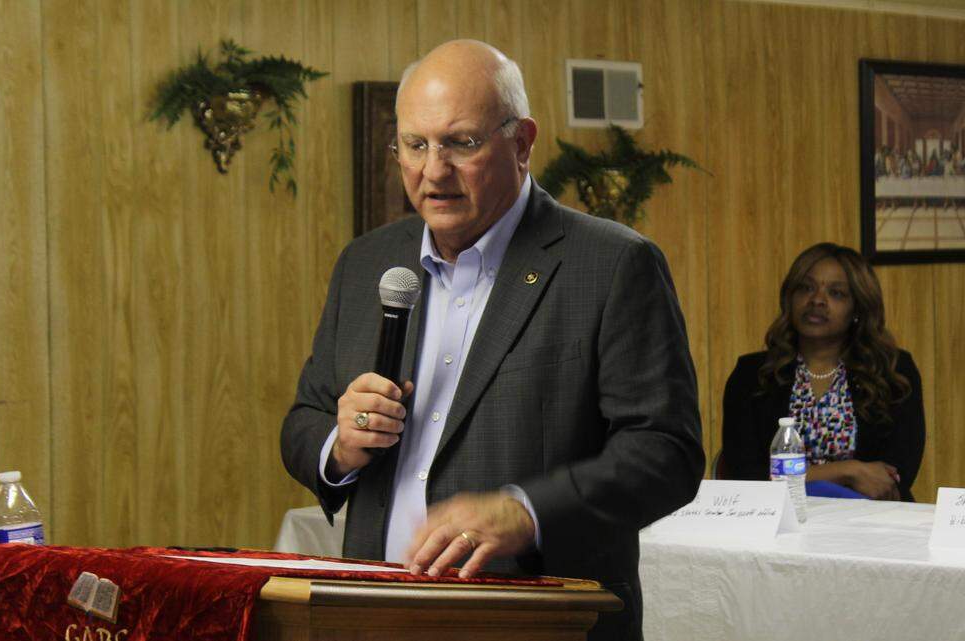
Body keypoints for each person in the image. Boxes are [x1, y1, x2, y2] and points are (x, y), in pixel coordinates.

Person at [280, 39, 705, 641]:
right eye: (415, 145)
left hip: (538, 618)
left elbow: (666, 453)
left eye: (462, 143)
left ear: (523, 143)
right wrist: (339, 446)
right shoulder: (367, 263)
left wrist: (527, 511)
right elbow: (304, 420)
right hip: (373, 612)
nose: (433, 171)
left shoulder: (611, 265)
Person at [721, 243, 924, 501]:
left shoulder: (892, 370)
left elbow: (894, 476)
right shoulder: (752, 375)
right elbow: (746, 477)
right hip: (776, 523)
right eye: (805, 288)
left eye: (837, 293)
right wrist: (845, 471)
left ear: (858, 309)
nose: (817, 300)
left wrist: (799, 477)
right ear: (790, 298)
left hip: (870, 524)